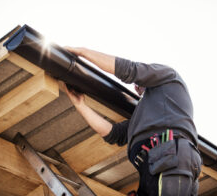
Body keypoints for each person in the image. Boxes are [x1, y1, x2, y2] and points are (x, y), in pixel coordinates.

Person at [63, 47, 202, 196]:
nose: (136, 86)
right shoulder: (145, 117)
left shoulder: (169, 77)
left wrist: (82, 52)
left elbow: (129, 70)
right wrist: (80, 105)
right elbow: (114, 134)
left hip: (169, 159)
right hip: (155, 166)